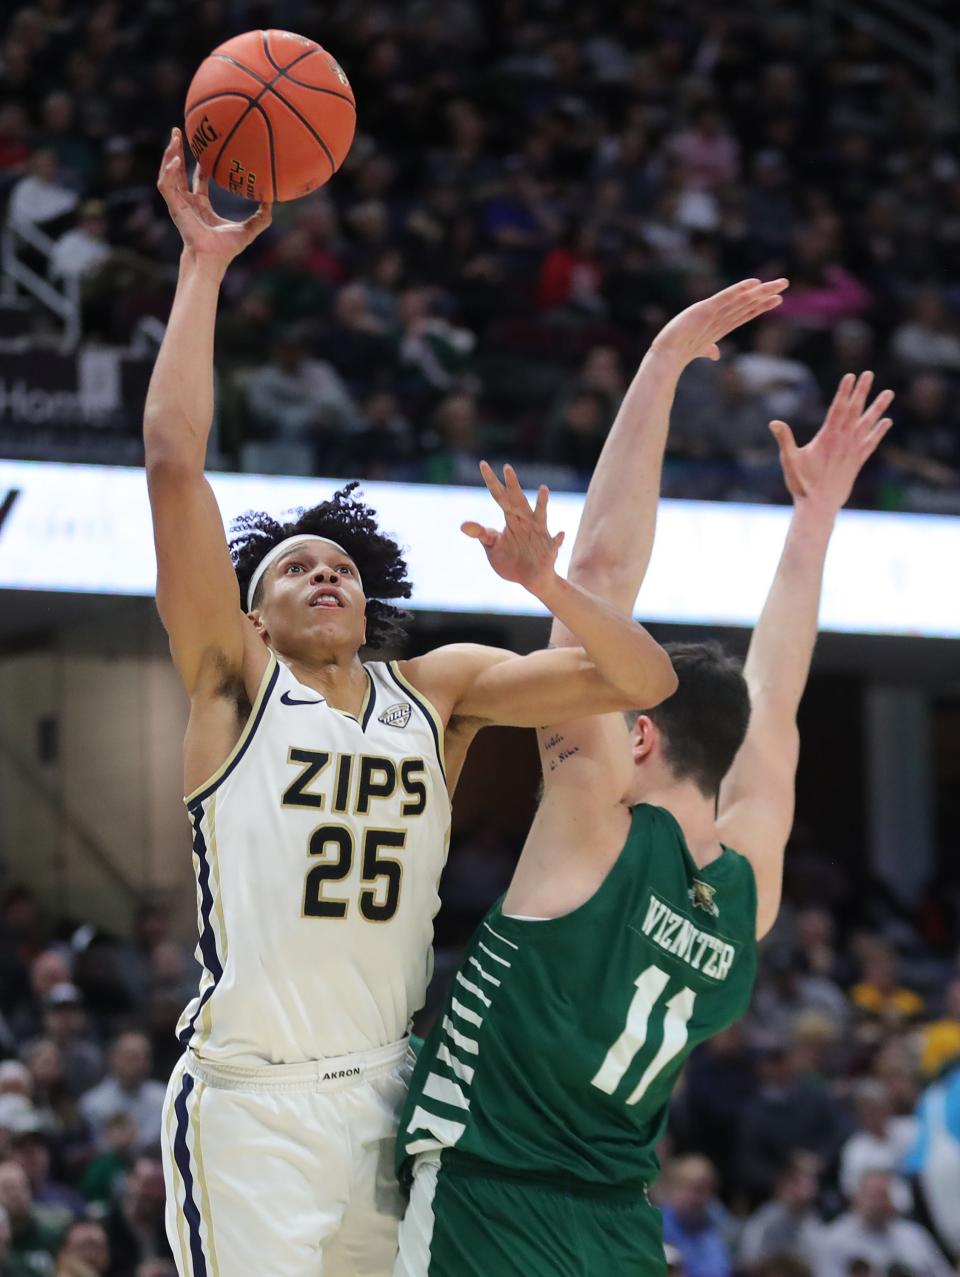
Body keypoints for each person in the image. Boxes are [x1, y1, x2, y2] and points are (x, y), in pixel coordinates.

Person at [147, 128, 676, 1277]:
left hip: (397, 1092)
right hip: (253, 1108)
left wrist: (547, 585)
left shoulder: (436, 691)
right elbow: (176, 464)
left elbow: (642, 682)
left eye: (336, 562)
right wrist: (203, 269)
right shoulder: (231, 688)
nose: (322, 570)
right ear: (250, 616)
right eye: (290, 566)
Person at [394, 288, 896, 1276]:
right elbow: (778, 697)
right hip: (624, 1222)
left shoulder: (589, 824)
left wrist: (662, 357)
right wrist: (814, 521)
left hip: (486, 1197)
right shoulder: (748, 882)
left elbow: (606, 568)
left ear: (641, 737)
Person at [815, 1170, 952, 1277]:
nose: (881, 1204)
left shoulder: (913, 1234)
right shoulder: (834, 1240)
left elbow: (943, 1273)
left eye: (885, 1196)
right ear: (856, 1198)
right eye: (875, 1196)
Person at [78, 1034, 164, 1155]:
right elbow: (93, 1149)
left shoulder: (164, 1098)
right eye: (133, 1057)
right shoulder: (92, 1104)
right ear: (114, 1059)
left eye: (145, 1057)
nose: (140, 1064)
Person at [737, 1152, 824, 1270]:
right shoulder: (765, 1221)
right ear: (786, 1184)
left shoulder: (813, 1220)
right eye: (803, 1182)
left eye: (813, 1181)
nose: (812, 1188)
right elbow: (749, 1259)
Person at [659, 1155, 732, 1277]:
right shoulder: (656, 1226)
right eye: (696, 1189)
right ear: (674, 1188)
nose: (701, 1199)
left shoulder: (717, 1229)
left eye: (708, 1190)